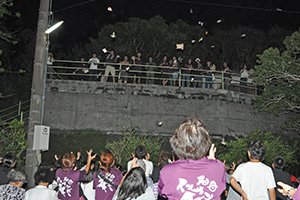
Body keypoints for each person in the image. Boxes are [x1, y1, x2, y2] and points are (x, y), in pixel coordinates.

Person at [158, 117, 226, 199]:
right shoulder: (219, 167)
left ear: (177, 144)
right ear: (205, 142)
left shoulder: (167, 171)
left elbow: (162, 192)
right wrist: (213, 161)